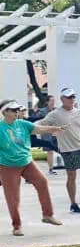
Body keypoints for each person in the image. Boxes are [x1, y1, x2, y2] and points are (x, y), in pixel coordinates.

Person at [0, 99, 66, 236]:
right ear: (5, 112)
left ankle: (48, 215)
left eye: (17, 110)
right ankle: (17, 226)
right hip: (8, 166)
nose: (17, 112)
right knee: (13, 197)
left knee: (42, 182)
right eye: (13, 110)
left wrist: (56, 129)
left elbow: (40, 129)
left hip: (27, 162)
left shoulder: (23, 124)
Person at [29, 95, 59, 175]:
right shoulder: (42, 111)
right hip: (46, 133)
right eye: (51, 101)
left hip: (55, 133)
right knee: (50, 151)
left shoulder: (56, 111)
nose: (53, 102)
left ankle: (53, 168)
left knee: (54, 150)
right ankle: (50, 169)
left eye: (54, 101)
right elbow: (36, 121)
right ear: (47, 102)